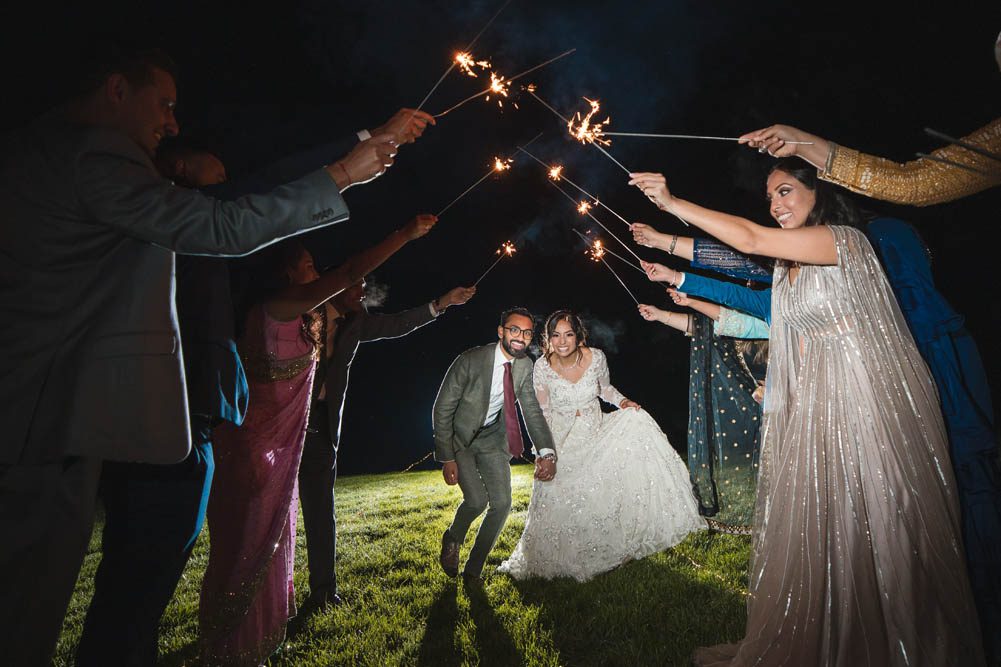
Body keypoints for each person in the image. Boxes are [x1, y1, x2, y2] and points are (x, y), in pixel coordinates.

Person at [0, 47, 395, 666]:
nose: (173, 122)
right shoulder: (91, 155)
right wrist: (343, 173)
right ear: (115, 89)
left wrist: (360, 148)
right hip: (44, 419)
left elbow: (240, 197)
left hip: (80, 415)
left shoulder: (43, 152)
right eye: (165, 105)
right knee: (32, 604)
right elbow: (227, 220)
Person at [637, 161, 1001, 661]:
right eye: (769, 197)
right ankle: (845, 626)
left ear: (818, 193)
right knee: (833, 519)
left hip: (867, 397)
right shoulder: (790, 271)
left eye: (785, 191)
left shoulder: (842, 241)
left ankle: (906, 637)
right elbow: (779, 326)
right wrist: (789, 401)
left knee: (883, 512)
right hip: (822, 403)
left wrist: (673, 205)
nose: (776, 205)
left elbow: (749, 240)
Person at [198, 216, 436, 664]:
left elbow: (375, 312)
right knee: (250, 544)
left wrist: (435, 305)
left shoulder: (310, 316)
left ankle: (257, 638)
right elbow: (345, 276)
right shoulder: (279, 307)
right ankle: (231, 644)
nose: (316, 272)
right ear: (287, 272)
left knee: (276, 539)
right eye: (309, 265)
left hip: (292, 441)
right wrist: (404, 233)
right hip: (262, 445)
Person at [299, 280, 476, 607]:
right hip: (284, 424)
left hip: (320, 427)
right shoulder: (300, 313)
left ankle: (323, 593)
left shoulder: (355, 323)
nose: (362, 293)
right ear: (336, 282)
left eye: (366, 287)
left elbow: (398, 324)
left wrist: (442, 302)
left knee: (321, 512)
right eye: (356, 285)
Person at [497, 310, 704, 580]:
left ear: (578, 336)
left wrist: (623, 402)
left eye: (568, 334)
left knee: (637, 420)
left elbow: (605, 390)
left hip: (595, 430)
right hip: (562, 439)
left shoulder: (596, 357)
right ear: (547, 340)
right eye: (556, 335)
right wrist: (544, 452)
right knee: (560, 490)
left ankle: (624, 537)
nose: (562, 341)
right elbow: (543, 412)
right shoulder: (542, 367)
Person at [433, 308, 557, 581]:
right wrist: (447, 458)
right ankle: (453, 538)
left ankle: (473, 571)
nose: (520, 337)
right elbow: (442, 409)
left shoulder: (525, 366)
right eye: (514, 330)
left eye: (526, 333)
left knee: (501, 504)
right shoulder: (470, 360)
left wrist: (547, 452)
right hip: (461, 441)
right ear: (501, 331)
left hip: (493, 439)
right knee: (477, 500)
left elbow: (531, 409)